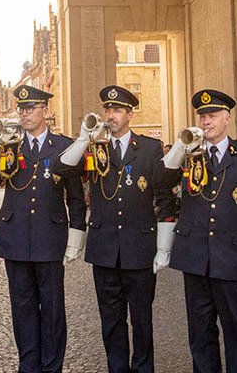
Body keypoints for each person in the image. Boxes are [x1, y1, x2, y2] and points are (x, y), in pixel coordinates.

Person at [54, 86, 180, 373]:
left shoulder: (149, 148)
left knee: (141, 319)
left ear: (129, 115)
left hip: (139, 247)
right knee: (111, 320)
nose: (110, 115)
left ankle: (144, 368)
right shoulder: (95, 147)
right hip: (105, 249)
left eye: (117, 110)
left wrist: (163, 246)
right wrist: (84, 138)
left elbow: (163, 197)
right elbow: (62, 169)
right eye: (107, 110)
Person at [161, 89, 237, 373]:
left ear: (227, 119)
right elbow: (159, 180)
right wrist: (179, 147)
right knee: (199, 332)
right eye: (202, 116)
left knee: (235, 329)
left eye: (212, 116)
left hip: (230, 255)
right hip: (195, 255)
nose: (206, 121)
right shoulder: (188, 153)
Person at [0, 85, 87, 373]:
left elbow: (75, 197)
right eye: (22, 109)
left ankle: (52, 366)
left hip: (50, 238)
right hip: (15, 237)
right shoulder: (10, 145)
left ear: (45, 111)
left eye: (31, 108)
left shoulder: (64, 146)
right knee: (23, 309)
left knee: (52, 309)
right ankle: (28, 365)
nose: (25, 114)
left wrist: (76, 236)